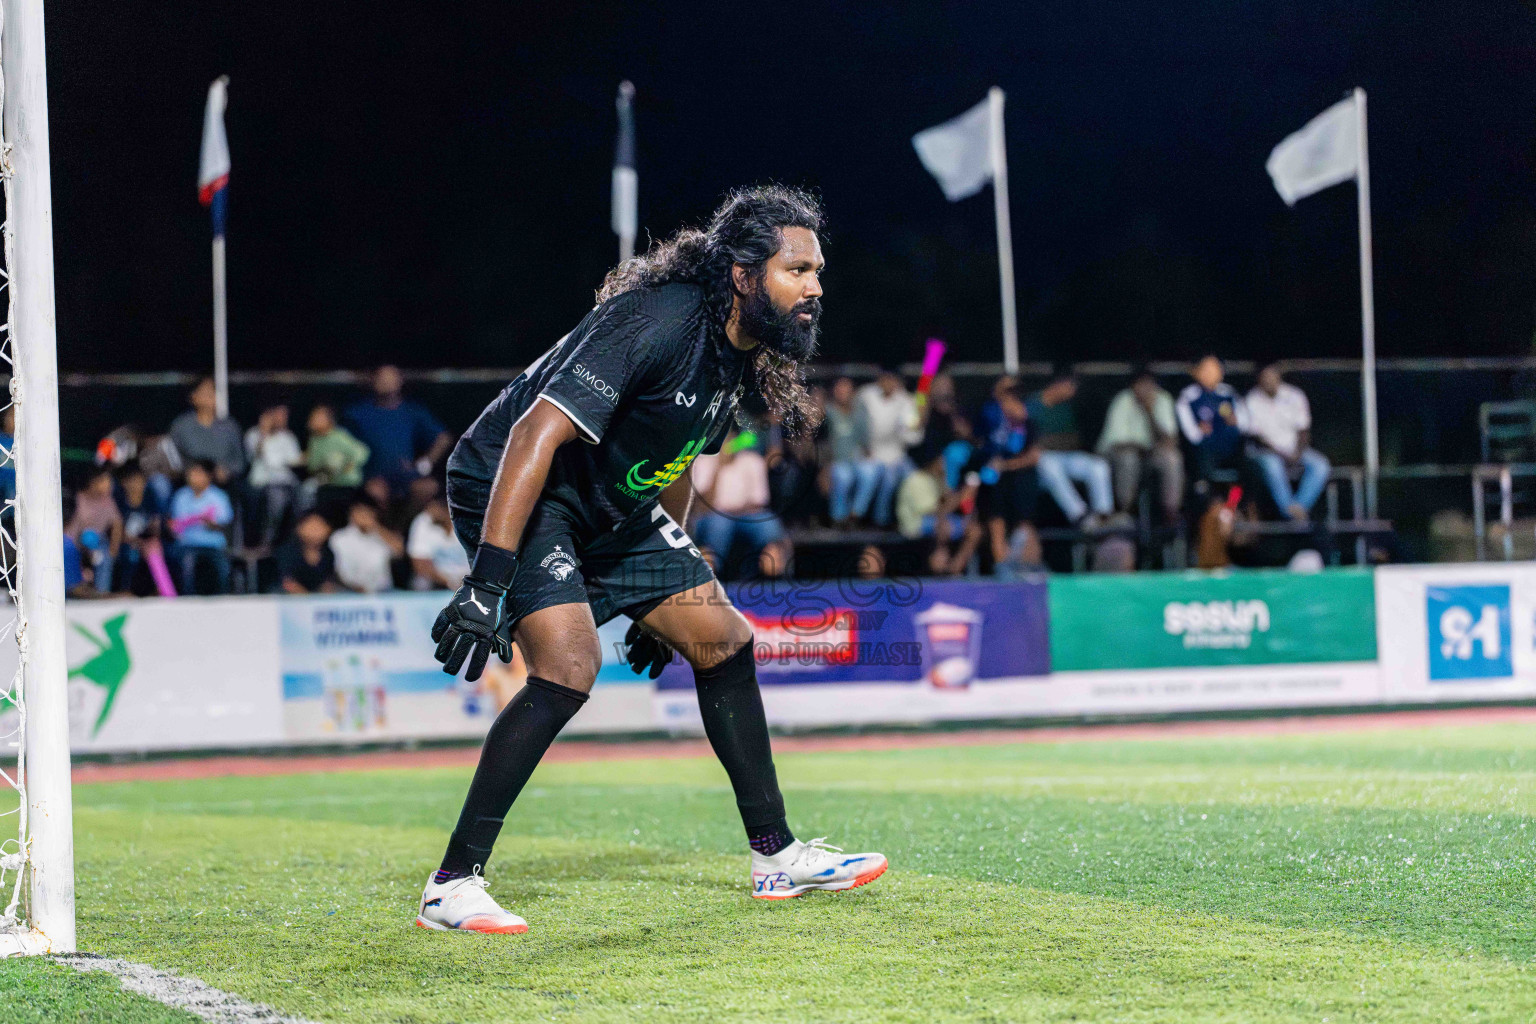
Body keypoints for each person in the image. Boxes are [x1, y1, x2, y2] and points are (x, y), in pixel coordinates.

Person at [426, 186, 885, 933]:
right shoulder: (659, 320)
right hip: (522, 484)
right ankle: (451, 884)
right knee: (569, 665)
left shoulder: (738, 354)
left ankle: (776, 858)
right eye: (797, 270)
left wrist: (669, 580)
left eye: (817, 272)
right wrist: (487, 582)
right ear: (743, 275)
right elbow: (534, 434)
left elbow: (674, 462)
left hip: (611, 503)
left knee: (723, 638)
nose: (815, 288)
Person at [690, 429, 790, 579]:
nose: (727, 442)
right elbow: (703, 506)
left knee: (768, 523)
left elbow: (759, 503)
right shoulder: (703, 461)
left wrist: (733, 510)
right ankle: (710, 575)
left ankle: (775, 574)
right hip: (712, 517)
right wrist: (719, 467)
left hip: (746, 516)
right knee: (720, 525)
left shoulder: (752, 460)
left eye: (731, 437)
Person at [345, 365, 453, 498]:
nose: (386, 381)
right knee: (375, 493)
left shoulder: (412, 411)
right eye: (382, 378)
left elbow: (443, 438)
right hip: (371, 478)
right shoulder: (358, 413)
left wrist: (424, 465)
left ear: (400, 381)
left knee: (428, 487)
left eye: (391, 377)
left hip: (406, 476)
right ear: (373, 381)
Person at [1026, 368, 1113, 527]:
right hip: (1040, 465)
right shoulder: (1032, 404)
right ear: (1058, 384)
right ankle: (1079, 515)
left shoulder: (1065, 408)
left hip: (1065, 456)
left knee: (1098, 465)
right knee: (1047, 463)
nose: (1073, 392)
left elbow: (1074, 440)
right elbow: (1028, 442)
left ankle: (1103, 515)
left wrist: (1047, 442)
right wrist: (1047, 443)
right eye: (1070, 386)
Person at [1096, 366, 1184, 521]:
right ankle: (1125, 511)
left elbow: (1170, 441)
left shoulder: (1162, 399)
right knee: (1129, 458)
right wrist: (1143, 448)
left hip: (1149, 456)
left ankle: (1171, 513)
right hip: (1117, 455)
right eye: (1142, 384)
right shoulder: (1124, 400)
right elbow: (1117, 443)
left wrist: (1149, 412)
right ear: (1134, 385)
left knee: (1172, 458)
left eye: (1150, 384)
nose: (1146, 388)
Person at [1246, 363, 1331, 521]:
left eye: (1272, 375)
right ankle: (1289, 511)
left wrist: (1297, 453)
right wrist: (1284, 455)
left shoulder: (1294, 395)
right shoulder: (1252, 399)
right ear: (1259, 379)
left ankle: (1298, 508)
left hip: (1294, 449)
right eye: (1265, 377)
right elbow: (1258, 439)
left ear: (1279, 376)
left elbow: (1303, 430)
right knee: (1272, 465)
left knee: (1321, 465)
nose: (1269, 380)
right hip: (1266, 452)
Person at [977, 381, 1042, 569]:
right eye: (1004, 399)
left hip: (1021, 485)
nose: (1008, 405)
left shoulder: (1028, 424)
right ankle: (1002, 568)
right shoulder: (992, 421)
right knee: (996, 524)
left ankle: (1027, 570)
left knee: (1025, 528)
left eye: (1011, 399)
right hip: (996, 487)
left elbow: (1033, 456)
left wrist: (1006, 465)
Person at [895, 447, 983, 575]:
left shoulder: (937, 479)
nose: (943, 464)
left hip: (937, 519)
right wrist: (960, 495)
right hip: (915, 523)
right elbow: (935, 511)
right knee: (944, 525)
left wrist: (963, 492)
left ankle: (955, 567)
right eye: (941, 461)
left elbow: (949, 502)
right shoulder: (916, 480)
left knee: (974, 530)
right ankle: (938, 567)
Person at [851, 369, 921, 527]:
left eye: (892, 379)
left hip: (896, 457)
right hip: (868, 453)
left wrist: (905, 426)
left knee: (904, 478)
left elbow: (913, 438)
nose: (888, 383)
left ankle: (883, 521)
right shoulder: (866, 395)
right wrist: (864, 445)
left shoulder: (907, 401)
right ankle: (854, 517)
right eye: (885, 378)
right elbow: (856, 424)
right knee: (869, 475)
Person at [1176, 355, 1252, 499]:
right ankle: (1208, 504)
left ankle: (1236, 503)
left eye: (1214, 368)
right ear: (1196, 372)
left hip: (1231, 448)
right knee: (1200, 464)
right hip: (1204, 451)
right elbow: (1192, 435)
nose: (1210, 373)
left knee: (1249, 463)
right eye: (1206, 369)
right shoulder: (1188, 396)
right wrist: (1200, 430)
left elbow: (1245, 424)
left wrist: (1236, 421)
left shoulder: (1229, 393)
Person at [168, 460, 233, 595]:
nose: (193, 477)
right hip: (188, 545)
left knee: (223, 568)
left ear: (208, 476)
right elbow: (175, 525)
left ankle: (223, 599)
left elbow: (224, 524)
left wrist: (210, 523)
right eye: (191, 473)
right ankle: (188, 601)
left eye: (198, 473)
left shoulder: (219, 496)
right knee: (186, 565)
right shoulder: (181, 496)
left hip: (214, 545)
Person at [168, 377, 246, 486]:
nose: (210, 395)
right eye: (205, 391)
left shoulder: (230, 426)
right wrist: (191, 472)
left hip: (224, 486)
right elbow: (172, 458)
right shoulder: (181, 426)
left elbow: (240, 462)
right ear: (194, 397)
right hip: (189, 485)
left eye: (213, 391)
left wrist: (227, 471)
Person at [245, 404, 304, 546]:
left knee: (304, 496)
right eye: (277, 415)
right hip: (263, 481)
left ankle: (295, 541)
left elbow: (295, 460)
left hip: (286, 480)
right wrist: (264, 433)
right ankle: (267, 542)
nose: (281, 419)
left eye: (284, 416)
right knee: (277, 500)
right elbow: (256, 453)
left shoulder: (287, 436)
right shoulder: (253, 434)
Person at [820, 376, 875, 527]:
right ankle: (838, 518)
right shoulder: (827, 412)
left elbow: (865, 439)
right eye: (839, 389)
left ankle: (856, 514)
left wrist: (868, 455)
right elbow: (822, 441)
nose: (842, 392)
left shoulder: (859, 412)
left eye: (846, 389)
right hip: (836, 460)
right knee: (844, 476)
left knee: (871, 472)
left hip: (856, 459)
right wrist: (825, 467)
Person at [304, 405, 370, 516]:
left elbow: (362, 451)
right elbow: (313, 465)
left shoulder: (339, 436)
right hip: (326, 484)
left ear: (329, 419)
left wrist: (349, 464)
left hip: (346, 484)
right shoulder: (314, 440)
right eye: (313, 417)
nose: (313, 420)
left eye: (318, 417)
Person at [328, 498, 403, 593]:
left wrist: (376, 527)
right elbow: (336, 570)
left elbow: (399, 551)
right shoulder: (339, 537)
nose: (364, 516)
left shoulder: (382, 535)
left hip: (383, 591)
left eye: (368, 512)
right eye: (360, 511)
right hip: (349, 591)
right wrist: (354, 587)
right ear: (351, 514)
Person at [67, 467, 123, 593]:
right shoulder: (79, 498)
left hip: (97, 544)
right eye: (104, 481)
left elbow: (117, 524)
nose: (108, 485)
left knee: (104, 555)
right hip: (75, 541)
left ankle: (101, 591)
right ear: (93, 482)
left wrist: (113, 548)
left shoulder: (108, 502)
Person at [114, 461, 165, 595]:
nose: (136, 485)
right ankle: (126, 590)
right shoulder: (119, 501)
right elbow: (117, 531)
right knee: (131, 554)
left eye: (139, 481)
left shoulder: (150, 497)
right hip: (124, 542)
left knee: (155, 548)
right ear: (124, 483)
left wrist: (150, 534)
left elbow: (156, 526)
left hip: (146, 541)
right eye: (132, 481)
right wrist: (137, 542)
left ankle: (160, 588)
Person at [407, 498, 471, 589]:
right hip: (436, 580)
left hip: (469, 580)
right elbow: (420, 564)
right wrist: (450, 582)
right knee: (421, 582)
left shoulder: (470, 519)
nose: (431, 512)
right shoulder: (424, 521)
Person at [274, 512, 341, 594]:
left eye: (319, 526)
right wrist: (306, 597)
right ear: (299, 528)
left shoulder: (328, 553)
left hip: (316, 596)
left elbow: (328, 582)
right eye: (311, 526)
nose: (315, 531)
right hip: (284, 594)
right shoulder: (287, 551)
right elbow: (287, 582)